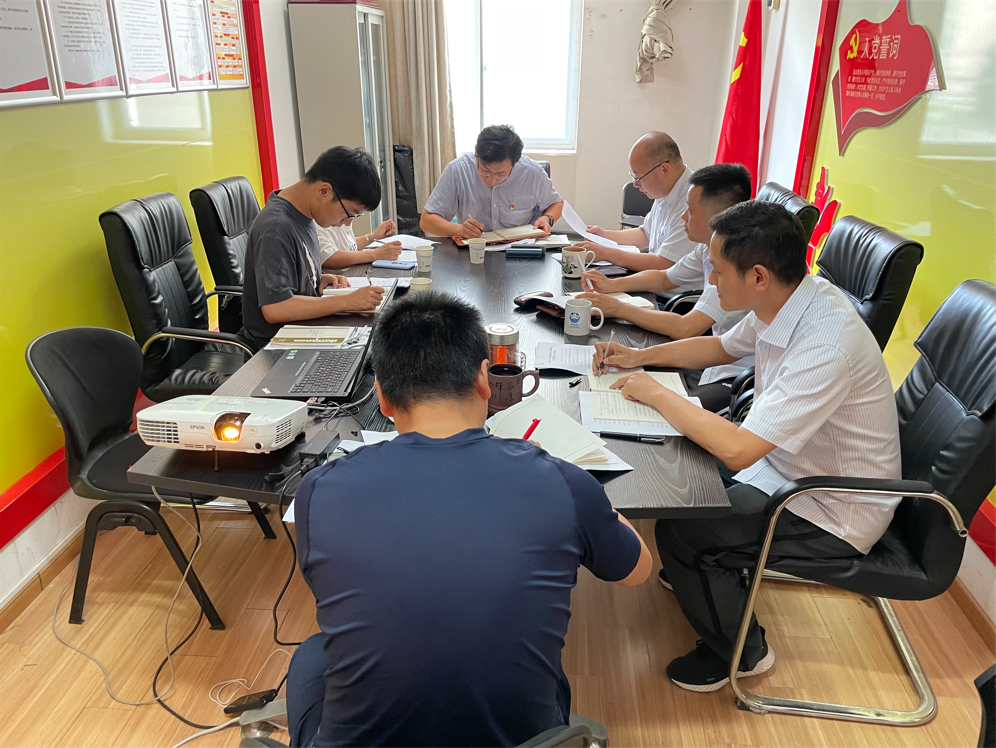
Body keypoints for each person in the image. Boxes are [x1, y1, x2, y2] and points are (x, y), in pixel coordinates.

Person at [288, 291, 652, 747]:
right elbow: (637, 570)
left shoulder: (319, 489)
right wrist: (571, 484)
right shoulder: (561, 482)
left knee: (313, 654)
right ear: (484, 379)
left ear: (382, 396)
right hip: (523, 741)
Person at [591, 201, 901, 692]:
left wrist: (655, 392)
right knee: (679, 461)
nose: (710, 280)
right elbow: (720, 348)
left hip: (831, 506)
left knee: (684, 531)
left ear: (758, 276)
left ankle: (743, 652)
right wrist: (640, 359)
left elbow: (738, 451)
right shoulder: (790, 299)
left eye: (717, 269)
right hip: (785, 463)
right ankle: (704, 573)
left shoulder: (826, 344)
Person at [579, 164, 754, 413]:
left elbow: (686, 328)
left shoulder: (735, 267)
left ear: (716, 218)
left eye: (690, 211)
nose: (684, 218)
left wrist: (618, 308)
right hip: (712, 359)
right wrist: (613, 285)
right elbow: (665, 278)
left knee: (640, 406)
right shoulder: (707, 248)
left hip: (733, 378)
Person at [239, 147, 387, 351]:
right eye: (350, 213)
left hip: (304, 329)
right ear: (324, 191)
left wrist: (317, 279)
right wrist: (346, 302)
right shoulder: (276, 227)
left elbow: (287, 274)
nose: (347, 222)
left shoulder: (304, 214)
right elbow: (275, 308)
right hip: (274, 348)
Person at [573, 131, 699, 273]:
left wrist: (606, 253)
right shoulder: (665, 191)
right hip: (655, 280)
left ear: (664, 170)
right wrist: (604, 236)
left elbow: (664, 264)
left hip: (669, 285)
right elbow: (645, 234)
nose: (635, 184)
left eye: (639, 177)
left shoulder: (693, 200)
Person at [420, 125, 564, 239]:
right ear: (476, 155)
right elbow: (426, 221)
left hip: (521, 250)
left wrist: (547, 218)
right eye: (485, 171)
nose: (492, 179)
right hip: (474, 250)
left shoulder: (533, 172)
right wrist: (460, 230)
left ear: (515, 163)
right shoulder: (457, 171)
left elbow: (556, 203)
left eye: (500, 174)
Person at [317, 217, 403, 269]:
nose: (349, 222)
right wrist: (375, 254)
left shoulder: (343, 216)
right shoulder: (319, 222)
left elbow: (347, 246)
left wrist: (372, 237)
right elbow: (328, 257)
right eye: (350, 214)